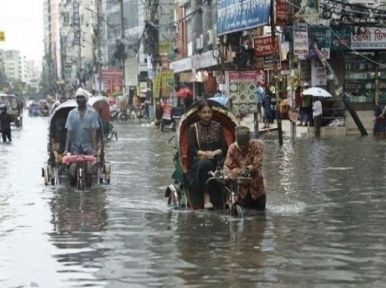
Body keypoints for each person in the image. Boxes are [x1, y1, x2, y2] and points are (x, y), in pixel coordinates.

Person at [187, 100, 228, 209]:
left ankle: (228, 197)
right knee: (206, 164)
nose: (207, 115)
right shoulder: (193, 128)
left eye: (209, 112)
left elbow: (224, 147)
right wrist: (205, 154)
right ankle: (207, 198)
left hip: (217, 157)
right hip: (199, 160)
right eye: (204, 112)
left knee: (225, 163)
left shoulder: (218, 126)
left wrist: (214, 153)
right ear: (199, 113)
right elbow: (192, 149)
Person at [63, 88, 100, 187]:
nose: (79, 99)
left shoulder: (92, 113)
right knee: (72, 169)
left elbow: (93, 132)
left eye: (81, 97)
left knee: (89, 169)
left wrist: (95, 149)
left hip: (88, 147)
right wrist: (66, 149)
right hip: (75, 147)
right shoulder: (71, 114)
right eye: (78, 98)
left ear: (85, 99)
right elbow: (69, 132)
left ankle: (89, 188)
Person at [223, 126, 266, 211]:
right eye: (240, 143)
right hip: (241, 191)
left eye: (245, 143)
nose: (243, 146)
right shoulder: (232, 148)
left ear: (249, 140)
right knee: (245, 216)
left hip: (257, 188)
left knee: (260, 216)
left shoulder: (258, 145)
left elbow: (257, 165)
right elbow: (227, 166)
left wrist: (239, 171)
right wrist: (232, 173)